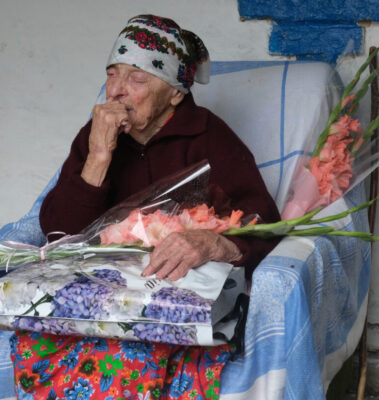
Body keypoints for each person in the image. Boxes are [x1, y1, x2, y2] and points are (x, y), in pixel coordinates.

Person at [11, 15, 281, 399]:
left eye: (136, 79)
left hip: (171, 292)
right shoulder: (95, 136)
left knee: (129, 357)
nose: (117, 91)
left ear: (175, 93)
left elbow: (263, 220)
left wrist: (214, 243)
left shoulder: (209, 136)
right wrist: (99, 156)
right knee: (35, 345)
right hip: (99, 293)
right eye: (112, 74)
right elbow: (60, 235)